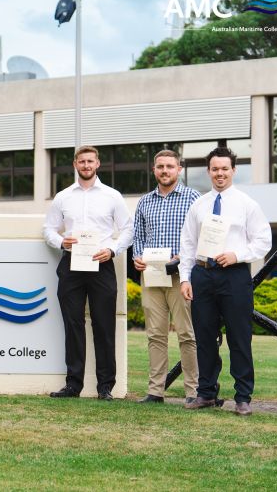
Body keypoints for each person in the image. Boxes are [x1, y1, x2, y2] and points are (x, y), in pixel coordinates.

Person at [180, 147, 271, 416]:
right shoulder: (198, 205)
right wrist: (185, 279)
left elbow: (263, 241)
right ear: (208, 171)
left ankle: (243, 397)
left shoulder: (247, 204)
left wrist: (237, 255)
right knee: (204, 337)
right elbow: (188, 244)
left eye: (224, 169)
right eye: (215, 169)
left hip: (234, 275)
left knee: (239, 337)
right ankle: (206, 393)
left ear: (233, 170)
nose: (220, 173)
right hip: (202, 275)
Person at [43, 146, 133, 400]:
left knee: (104, 325)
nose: (86, 165)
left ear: (97, 164)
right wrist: (61, 242)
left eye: (90, 161)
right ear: (75, 164)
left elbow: (128, 229)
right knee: (73, 324)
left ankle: (105, 387)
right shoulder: (63, 197)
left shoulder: (112, 196)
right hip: (71, 265)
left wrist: (112, 250)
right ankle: (73, 385)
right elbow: (48, 228)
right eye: (81, 161)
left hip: (101, 264)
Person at [132, 150, 200, 404]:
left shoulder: (193, 198)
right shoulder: (144, 202)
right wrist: (137, 257)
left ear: (179, 169)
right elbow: (138, 236)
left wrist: (183, 256)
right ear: (154, 170)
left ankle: (193, 391)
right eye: (160, 166)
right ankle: (155, 391)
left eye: (170, 166)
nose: (165, 171)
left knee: (187, 334)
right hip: (151, 276)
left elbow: (200, 235)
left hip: (181, 276)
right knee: (155, 334)